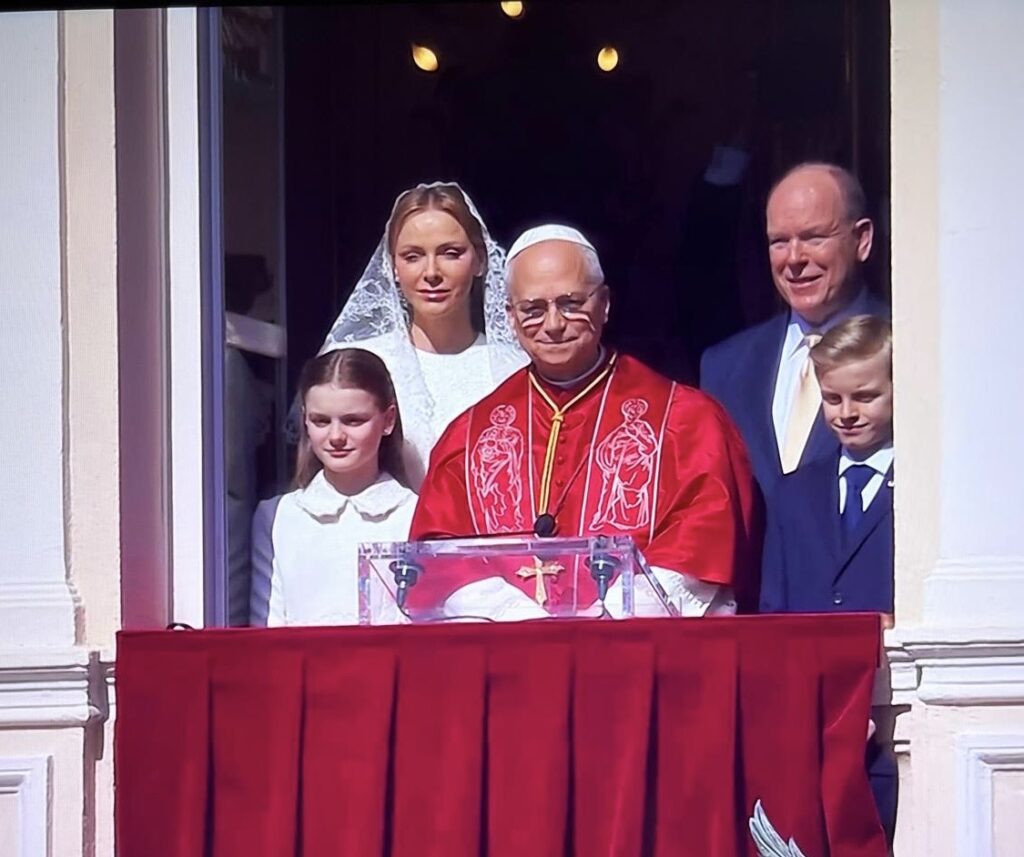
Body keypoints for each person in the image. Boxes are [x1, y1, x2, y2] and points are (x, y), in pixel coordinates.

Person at [409, 225, 760, 619]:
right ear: (509, 315)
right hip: (509, 655)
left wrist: (601, 624)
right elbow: (439, 549)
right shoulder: (471, 435)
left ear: (605, 303)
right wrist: (521, 620)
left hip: (635, 652)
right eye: (533, 309)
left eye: (571, 303)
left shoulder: (685, 419)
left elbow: (702, 533)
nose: (554, 323)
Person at [759, 314, 896, 844]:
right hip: (811, 721)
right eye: (833, 399)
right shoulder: (794, 494)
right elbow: (774, 611)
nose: (847, 414)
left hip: (888, 715)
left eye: (865, 396)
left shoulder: (924, 491)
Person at [315, 182, 528, 489]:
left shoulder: (514, 368)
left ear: (480, 260)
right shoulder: (356, 363)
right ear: (394, 268)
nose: (431, 272)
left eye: (450, 253)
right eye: (413, 256)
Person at [700, 162, 889, 496]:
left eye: (814, 237)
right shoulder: (724, 367)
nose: (795, 258)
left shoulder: (905, 346)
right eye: (779, 242)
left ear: (862, 240)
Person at [250, 349, 416, 626]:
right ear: (305, 419)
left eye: (354, 421)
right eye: (321, 421)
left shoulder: (412, 514)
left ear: (388, 420)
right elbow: (266, 627)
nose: (336, 436)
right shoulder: (278, 516)